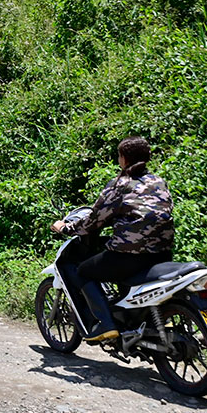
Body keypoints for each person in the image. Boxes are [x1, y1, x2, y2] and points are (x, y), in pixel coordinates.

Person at [50, 136, 174, 343]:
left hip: (130, 256)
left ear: (124, 158)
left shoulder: (121, 184)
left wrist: (65, 227)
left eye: (119, 155)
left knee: (83, 270)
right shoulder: (158, 181)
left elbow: (94, 220)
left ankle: (105, 323)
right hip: (162, 253)